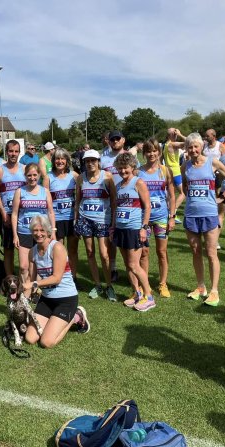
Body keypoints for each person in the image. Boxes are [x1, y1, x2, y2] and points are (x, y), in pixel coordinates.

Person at [181, 133, 225, 306]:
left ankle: (214, 291)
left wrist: (223, 197)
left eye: (196, 146)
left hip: (209, 214)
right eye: (190, 147)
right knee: (196, 251)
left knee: (211, 253)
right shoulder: (185, 166)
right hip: (191, 214)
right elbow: (184, 186)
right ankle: (200, 287)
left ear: (201, 147)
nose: (193, 150)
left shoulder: (212, 162)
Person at [22, 214, 90, 348]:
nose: (39, 234)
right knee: (30, 338)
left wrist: (33, 284)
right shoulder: (32, 252)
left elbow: (56, 278)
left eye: (42, 230)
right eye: (35, 230)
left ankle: (76, 316)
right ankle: (54, 321)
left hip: (66, 299)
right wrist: (23, 301)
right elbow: (31, 278)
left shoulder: (57, 248)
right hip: (47, 300)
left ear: (48, 232)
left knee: (46, 342)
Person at [113, 153, 154, 311]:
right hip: (121, 229)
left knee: (134, 265)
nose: (123, 171)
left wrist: (144, 227)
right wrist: (113, 227)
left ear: (132, 167)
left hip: (134, 228)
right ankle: (136, 293)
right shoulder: (118, 186)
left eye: (126, 167)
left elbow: (147, 206)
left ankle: (149, 296)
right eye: (120, 168)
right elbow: (117, 208)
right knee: (127, 265)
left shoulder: (139, 182)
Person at [74, 149, 117, 301]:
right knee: (90, 252)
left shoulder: (107, 176)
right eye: (87, 161)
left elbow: (113, 200)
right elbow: (78, 200)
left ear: (98, 161)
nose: (90, 163)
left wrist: (113, 222)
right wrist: (76, 219)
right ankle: (97, 284)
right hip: (85, 219)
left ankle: (109, 285)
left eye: (93, 160)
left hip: (102, 220)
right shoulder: (80, 178)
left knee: (104, 255)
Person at [137, 139, 176, 298]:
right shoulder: (138, 172)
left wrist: (172, 217)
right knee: (144, 252)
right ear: (144, 153)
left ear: (159, 152)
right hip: (143, 219)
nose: (151, 154)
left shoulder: (165, 171)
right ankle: (144, 283)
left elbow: (172, 196)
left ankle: (162, 283)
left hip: (161, 217)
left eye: (154, 151)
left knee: (162, 251)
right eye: (148, 151)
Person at [12, 163, 55, 283]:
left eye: (35, 175)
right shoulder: (20, 192)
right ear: (25, 176)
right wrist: (15, 235)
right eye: (29, 175)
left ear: (39, 175)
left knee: (40, 265)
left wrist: (53, 230)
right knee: (23, 266)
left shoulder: (45, 191)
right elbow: (14, 214)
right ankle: (26, 291)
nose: (32, 178)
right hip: (24, 231)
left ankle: (36, 290)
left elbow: (51, 212)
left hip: (41, 234)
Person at [43, 148, 79, 285]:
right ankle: (60, 278)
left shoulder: (74, 176)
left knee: (73, 250)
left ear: (67, 161)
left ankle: (73, 277)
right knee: (58, 251)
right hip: (56, 219)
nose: (60, 161)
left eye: (63, 158)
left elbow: (80, 195)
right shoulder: (48, 177)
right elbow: (45, 201)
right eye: (57, 159)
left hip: (71, 218)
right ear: (53, 161)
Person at [0, 140, 26, 276]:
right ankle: (10, 280)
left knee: (24, 248)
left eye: (16, 151)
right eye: (11, 151)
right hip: (6, 214)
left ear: (19, 152)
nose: (13, 154)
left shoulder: (25, 169)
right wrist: (3, 214)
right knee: (8, 248)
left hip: (23, 215)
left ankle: (26, 277)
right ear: (6, 152)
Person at [101, 130, 128, 282]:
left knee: (126, 236)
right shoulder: (103, 159)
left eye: (118, 139)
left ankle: (131, 268)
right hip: (109, 203)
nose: (115, 141)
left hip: (127, 202)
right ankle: (113, 268)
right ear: (108, 141)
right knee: (111, 237)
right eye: (112, 139)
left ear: (123, 140)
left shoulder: (129, 157)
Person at [163, 128, 187, 223]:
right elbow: (189, 142)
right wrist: (181, 134)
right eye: (175, 133)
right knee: (183, 192)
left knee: (170, 194)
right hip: (175, 171)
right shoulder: (172, 144)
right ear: (173, 134)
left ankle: (168, 213)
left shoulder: (165, 145)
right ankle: (173, 213)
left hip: (167, 170)